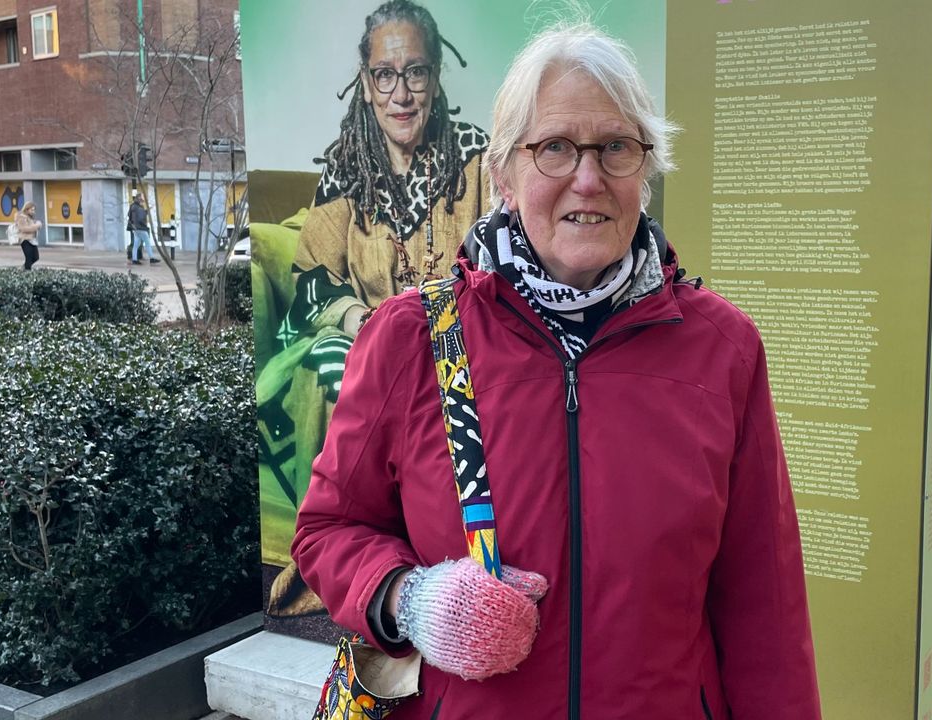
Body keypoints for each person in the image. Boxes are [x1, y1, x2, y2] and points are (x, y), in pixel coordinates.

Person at [293, 21, 821, 719]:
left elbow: (766, 604)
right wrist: (408, 600)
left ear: (646, 170)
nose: (589, 177)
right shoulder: (409, 340)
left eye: (617, 148)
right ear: (503, 174)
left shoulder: (722, 349)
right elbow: (329, 530)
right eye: (555, 148)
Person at [259, 0, 488, 616]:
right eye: (385, 75)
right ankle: (348, 563)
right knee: (332, 366)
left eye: (416, 72)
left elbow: (503, 265)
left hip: (460, 347)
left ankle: (453, 572)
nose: (401, 92)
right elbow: (312, 279)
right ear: (365, 84)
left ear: (436, 77)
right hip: (367, 347)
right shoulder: (345, 173)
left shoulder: (477, 163)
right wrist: (361, 323)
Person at [128, 192, 158, 265]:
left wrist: (145, 211)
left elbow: (130, 215)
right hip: (141, 228)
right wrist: (145, 226)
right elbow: (141, 218)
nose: (143, 198)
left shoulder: (133, 206)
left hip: (135, 228)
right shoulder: (139, 207)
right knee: (147, 243)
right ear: (139, 198)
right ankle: (152, 258)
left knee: (136, 245)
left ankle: (134, 259)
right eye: (142, 197)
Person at [15, 202, 43, 270]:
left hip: (32, 240)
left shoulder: (30, 217)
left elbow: (32, 226)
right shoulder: (21, 217)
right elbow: (24, 229)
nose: (33, 212)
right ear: (27, 210)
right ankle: (27, 272)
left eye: (34, 210)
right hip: (25, 240)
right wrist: (37, 226)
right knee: (29, 258)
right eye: (32, 210)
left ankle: (24, 268)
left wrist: (37, 225)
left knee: (36, 257)